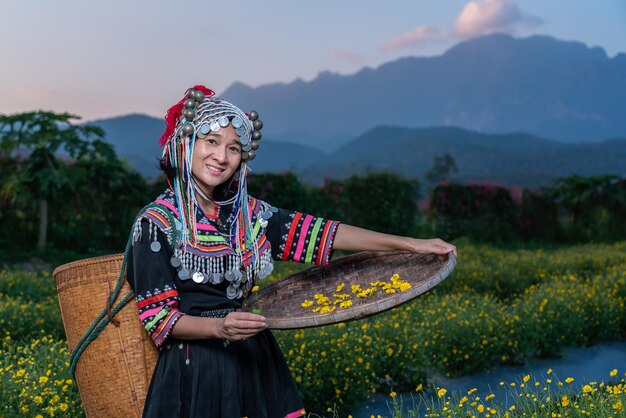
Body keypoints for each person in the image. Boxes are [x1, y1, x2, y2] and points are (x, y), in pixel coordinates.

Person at [127, 85, 456, 418]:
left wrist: (411, 244)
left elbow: (323, 233)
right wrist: (220, 327)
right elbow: (159, 319)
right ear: (185, 143)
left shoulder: (247, 214)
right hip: (195, 372)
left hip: (255, 360)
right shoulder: (156, 222)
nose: (222, 157)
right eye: (211, 141)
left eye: (234, 148)